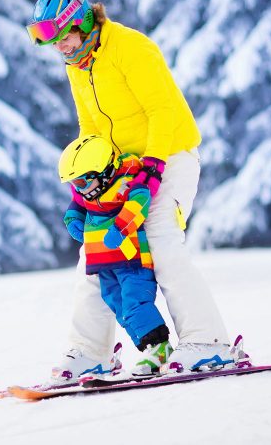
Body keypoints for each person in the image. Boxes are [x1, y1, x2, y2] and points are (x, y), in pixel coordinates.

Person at [26, 0, 231, 377]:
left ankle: (208, 341)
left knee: (161, 239)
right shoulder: (78, 66)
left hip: (169, 156)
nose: (60, 48)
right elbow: (90, 127)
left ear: (83, 24)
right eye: (49, 41)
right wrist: (87, 184)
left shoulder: (131, 48)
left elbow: (162, 110)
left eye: (62, 36)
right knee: (95, 252)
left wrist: (154, 166)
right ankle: (90, 352)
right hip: (119, 172)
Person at [57, 134, 174, 378]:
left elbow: (139, 202)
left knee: (135, 303)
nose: (77, 189)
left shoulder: (126, 182)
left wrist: (121, 227)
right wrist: (72, 220)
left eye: (79, 182)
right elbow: (76, 206)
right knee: (119, 306)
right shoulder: (90, 193)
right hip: (104, 264)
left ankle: (160, 347)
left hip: (131, 261)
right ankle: (148, 348)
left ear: (99, 173)